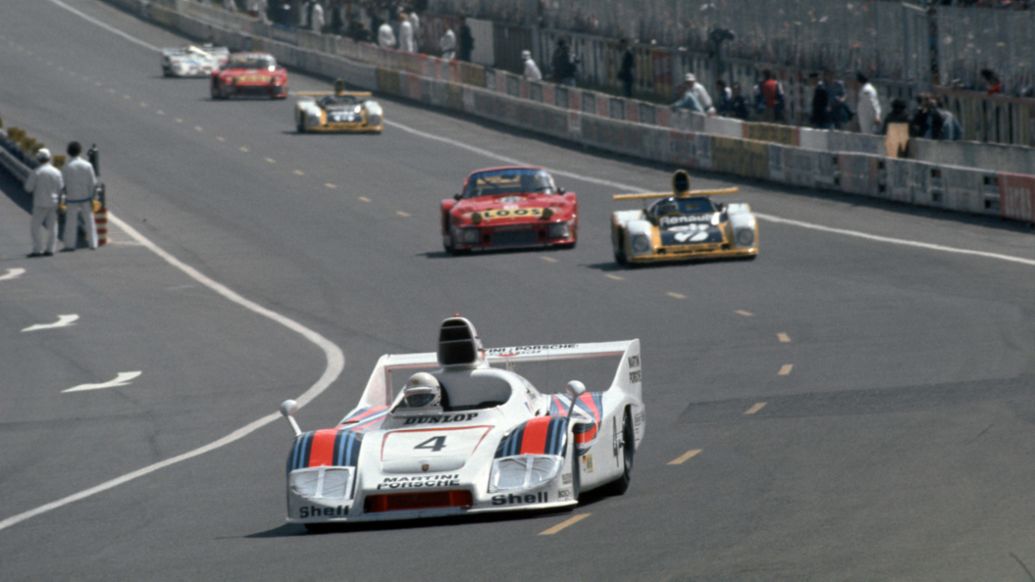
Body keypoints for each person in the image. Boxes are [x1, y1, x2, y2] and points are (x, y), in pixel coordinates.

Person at [24, 148, 63, 258]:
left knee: (35, 227)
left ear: (38, 159)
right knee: (53, 226)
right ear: (49, 158)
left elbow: (28, 188)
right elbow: (61, 187)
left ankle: (38, 249)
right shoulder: (57, 172)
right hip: (53, 202)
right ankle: (50, 249)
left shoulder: (36, 172)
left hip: (40, 203)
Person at [60, 142, 98, 252]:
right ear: (80, 151)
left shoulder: (66, 167)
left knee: (70, 222)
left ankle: (69, 245)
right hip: (86, 197)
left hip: (71, 198)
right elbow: (93, 183)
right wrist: (92, 196)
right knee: (89, 221)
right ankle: (93, 243)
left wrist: (63, 197)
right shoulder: (87, 165)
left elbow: (62, 184)